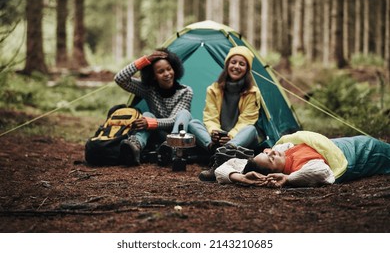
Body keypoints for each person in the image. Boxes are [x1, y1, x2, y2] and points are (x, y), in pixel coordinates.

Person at [188, 46, 262, 181]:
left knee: (251, 129)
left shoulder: (253, 92)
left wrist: (230, 136)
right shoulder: (213, 89)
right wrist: (215, 133)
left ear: (247, 69)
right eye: (233, 62)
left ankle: (223, 155)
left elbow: (247, 119)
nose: (236, 66)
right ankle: (216, 150)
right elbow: (210, 117)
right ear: (227, 64)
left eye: (242, 64)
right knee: (193, 123)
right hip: (218, 139)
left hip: (239, 139)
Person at [215, 131, 390, 187]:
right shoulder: (300, 167)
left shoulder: (282, 150)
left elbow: (222, 168)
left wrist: (240, 175)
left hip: (341, 143)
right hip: (363, 152)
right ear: (276, 172)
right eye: (270, 159)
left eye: (267, 152)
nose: (272, 153)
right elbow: (323, 172)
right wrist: (289, 179)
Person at [114, 48, 193, 166]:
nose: (167, 74)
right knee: (147, 115)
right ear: (154, 76)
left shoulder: (185, 91)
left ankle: (174, 149)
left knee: (184, 114)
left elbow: (173, 120)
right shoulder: (149, 90)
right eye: (161, 72)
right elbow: (120, 79)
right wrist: (145, 60)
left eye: (169, 69)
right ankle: (135, 146)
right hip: (157, 135)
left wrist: (150, 123)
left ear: (174, 69)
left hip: (177, 135)